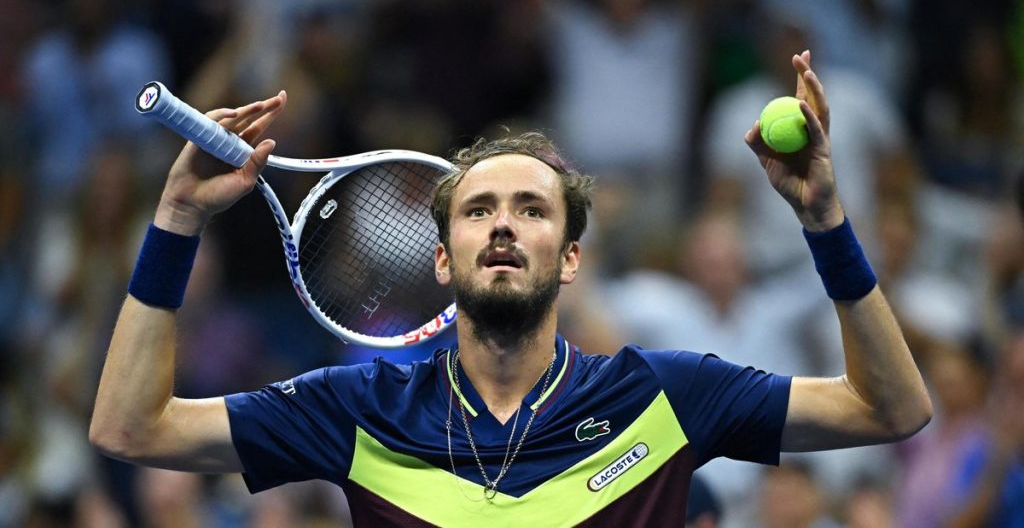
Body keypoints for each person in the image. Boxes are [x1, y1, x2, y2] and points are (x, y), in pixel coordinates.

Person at [90, 51, 932, 525]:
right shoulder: (355, 409)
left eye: (531, 210)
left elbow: (891, 410)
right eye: (480, 210)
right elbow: (130, 426)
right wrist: (174, 221)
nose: (503, 224)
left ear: (569, 258)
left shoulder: (668, 397)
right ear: (443, 262)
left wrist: (824, 220)